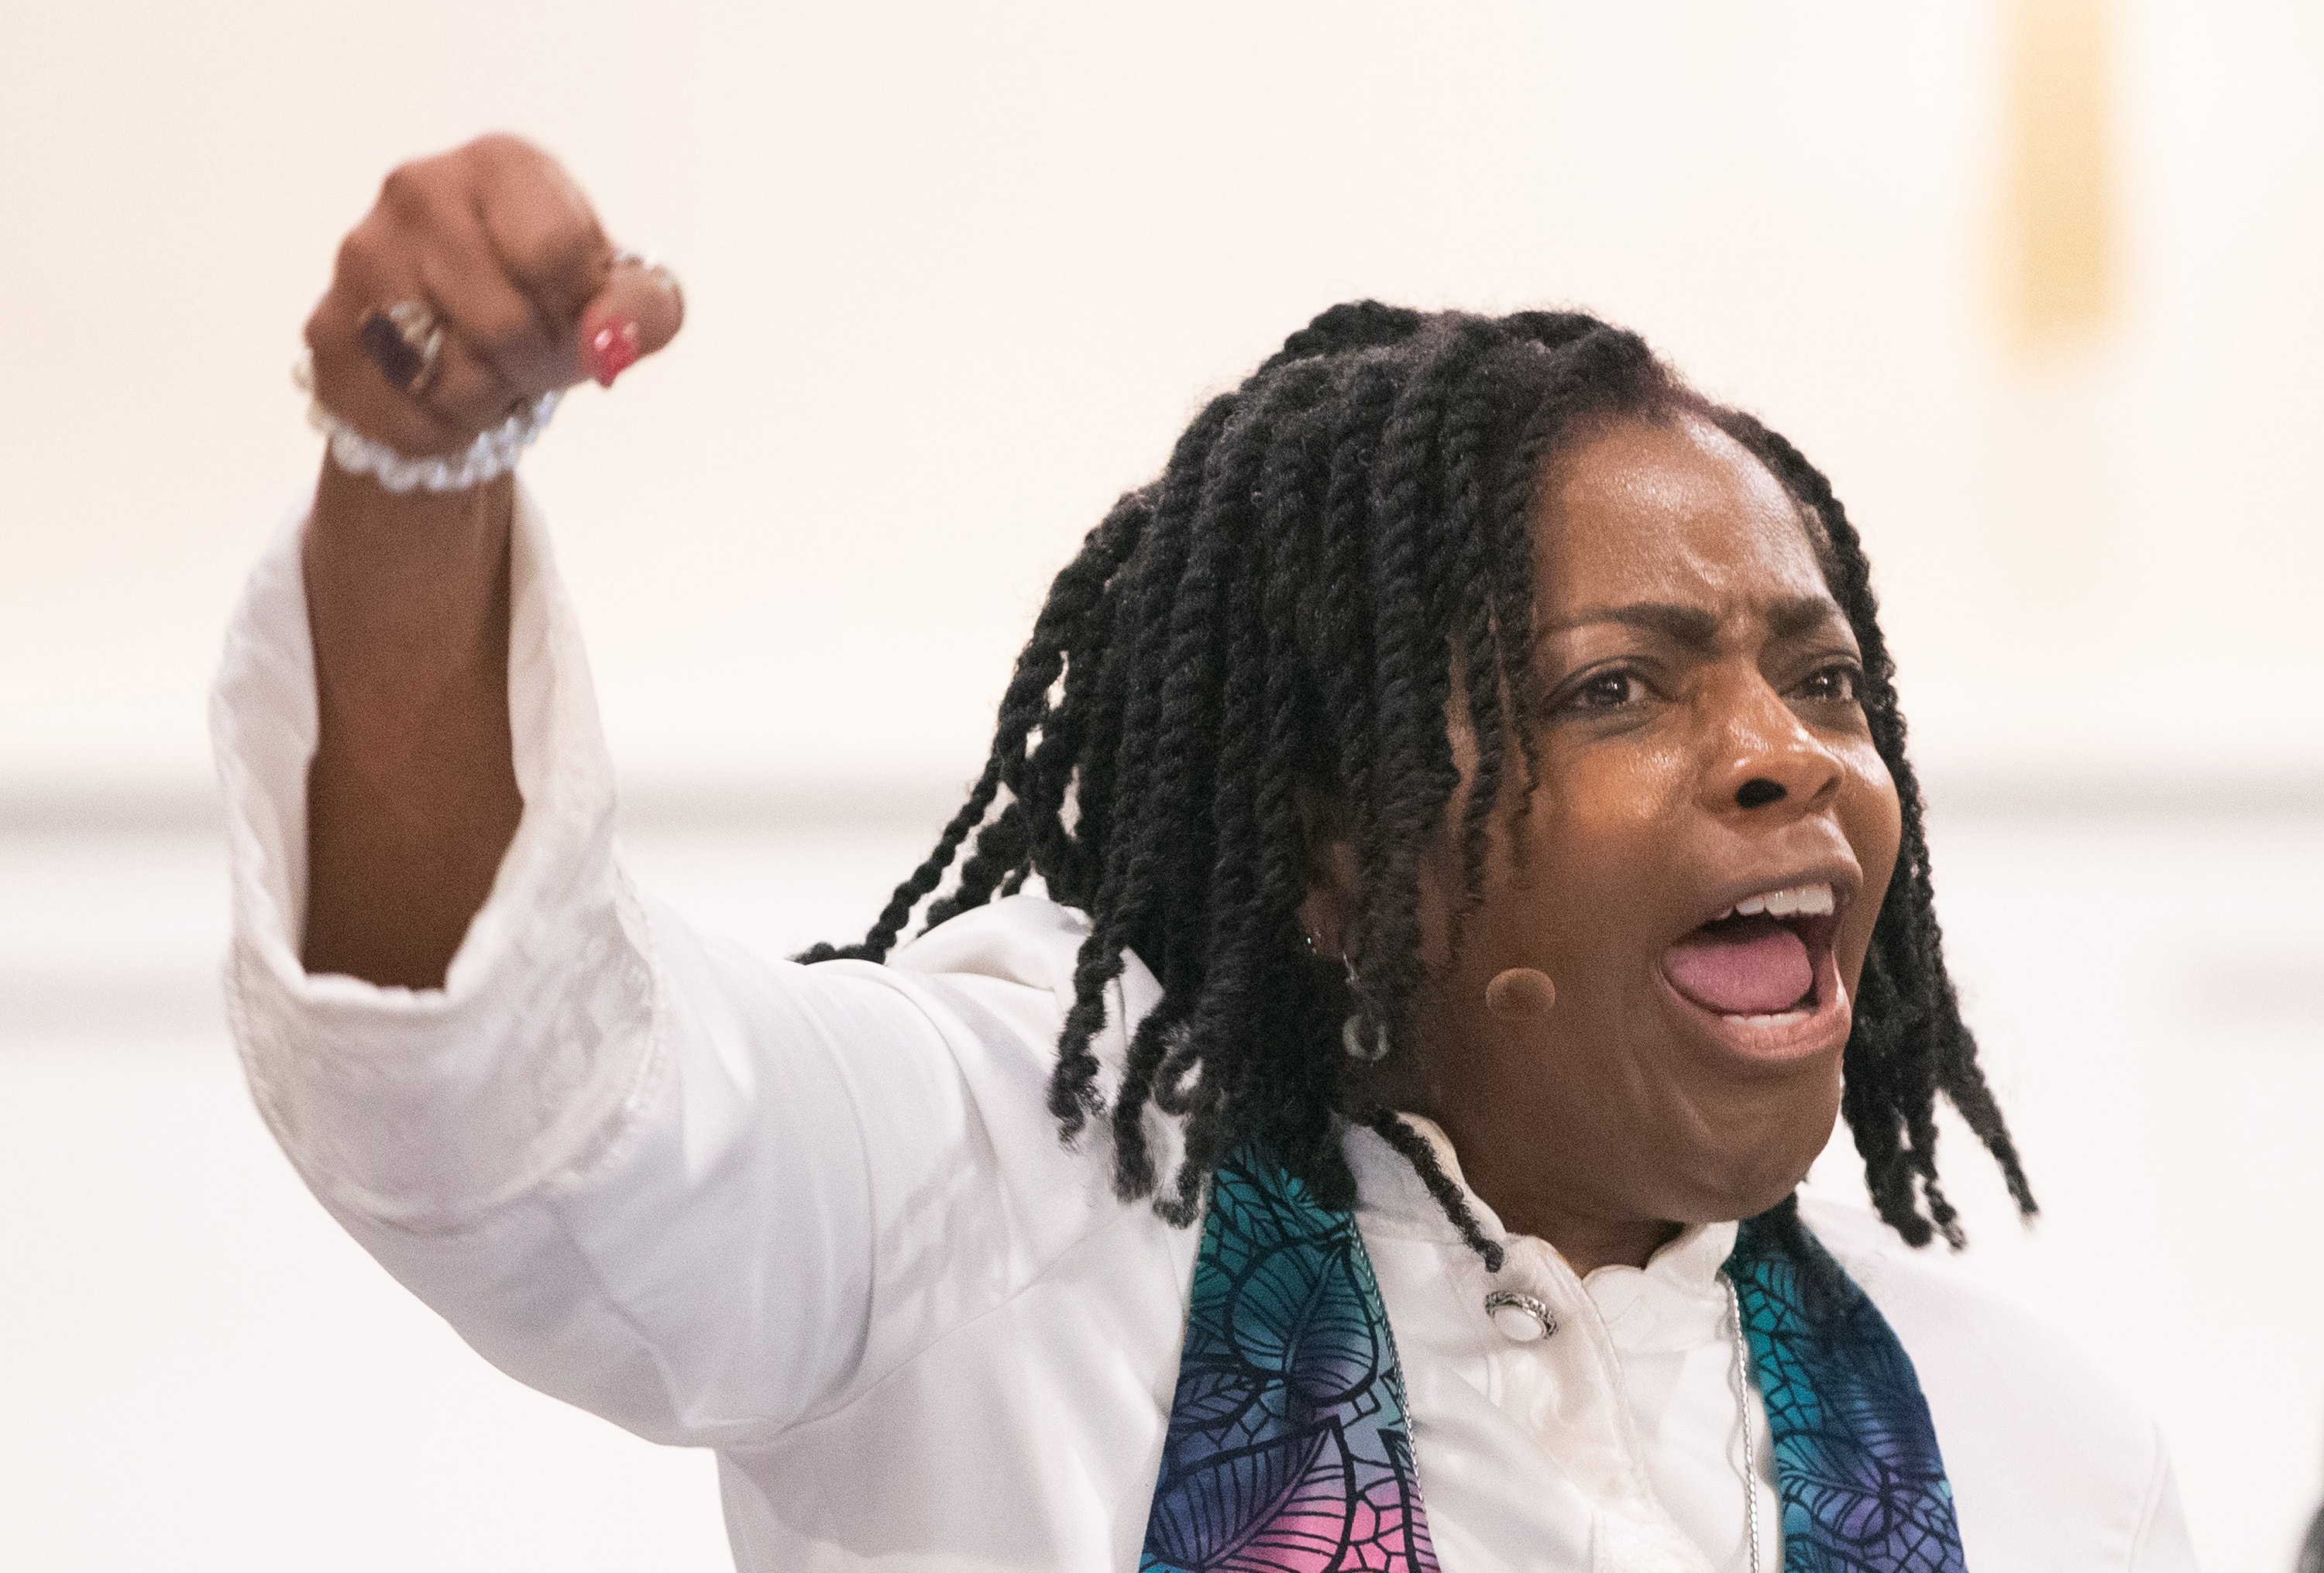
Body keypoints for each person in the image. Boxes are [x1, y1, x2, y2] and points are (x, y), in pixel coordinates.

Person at [214, 134, 2199, 1572]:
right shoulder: (998, 1214)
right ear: (1337, 847)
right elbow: (515, 1102)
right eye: (1623, 688)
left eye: (1829, 680)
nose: (1789, 758)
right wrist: (415, 480)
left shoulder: (2035, 1462)